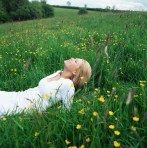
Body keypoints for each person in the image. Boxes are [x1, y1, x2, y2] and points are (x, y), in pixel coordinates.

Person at [0, 58, 92, 117]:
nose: (72, 58)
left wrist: (46, 115)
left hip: (24, 106)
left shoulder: (68, 85)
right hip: (20, 95)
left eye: (75, 61)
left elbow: (66, 111)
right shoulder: (58, 72)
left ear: (76, 72)